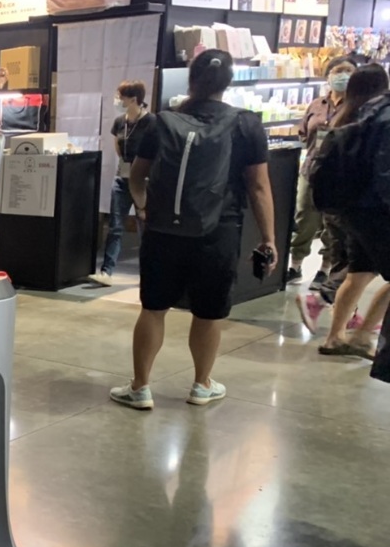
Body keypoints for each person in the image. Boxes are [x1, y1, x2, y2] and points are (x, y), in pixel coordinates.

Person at [111, 50, 278, 410]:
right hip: (219, 230)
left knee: (153, 308)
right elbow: (259, 187)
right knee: (208, 311)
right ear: (228, 82)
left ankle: (140, 387)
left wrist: (143, 208)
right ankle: (201, 385)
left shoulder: (162, 122)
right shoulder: (246, 124)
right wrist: (269, 239)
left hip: (163, 230)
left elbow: (136, 175)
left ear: (191, 80)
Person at [316, 64, 390, 359]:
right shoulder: (385, 115)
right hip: (378, 210)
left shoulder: (354, 112)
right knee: (361, 272)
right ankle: (362, 335)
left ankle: (335, 338)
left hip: (351, 210)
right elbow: (385, 173)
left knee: (359, 272)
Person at [288, 56, 356, 286]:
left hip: (339, 173)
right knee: (304, 216)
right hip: (311, 168)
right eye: (337, 72)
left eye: (347, 72)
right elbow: (303, 132)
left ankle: (325, 268)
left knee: (332, 223)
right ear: (328, 77)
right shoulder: (317, 104)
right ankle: (295, 265)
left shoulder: (356, 107)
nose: (342, 77)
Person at [90, 79, 155, 286]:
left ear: (134, 99)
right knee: (115, 226)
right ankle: (106, 271)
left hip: (143, 180)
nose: (118, 100)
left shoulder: (151, 122)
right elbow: (118, 147)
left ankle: (149, 274)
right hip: (122, 178)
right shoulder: (119, 122)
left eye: (121, 97)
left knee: (144, 226)